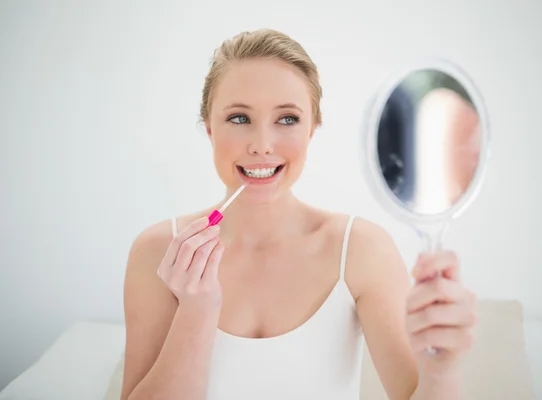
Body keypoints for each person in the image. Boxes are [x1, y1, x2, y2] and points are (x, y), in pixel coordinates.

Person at [121, 29, 477, 400]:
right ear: (210, 130)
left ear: (311, 130)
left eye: (287, 119)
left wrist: (441, 371)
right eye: (239, 118)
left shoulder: (360, 251)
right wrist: (195, 312)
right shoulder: (157, 253)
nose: (261, 145)